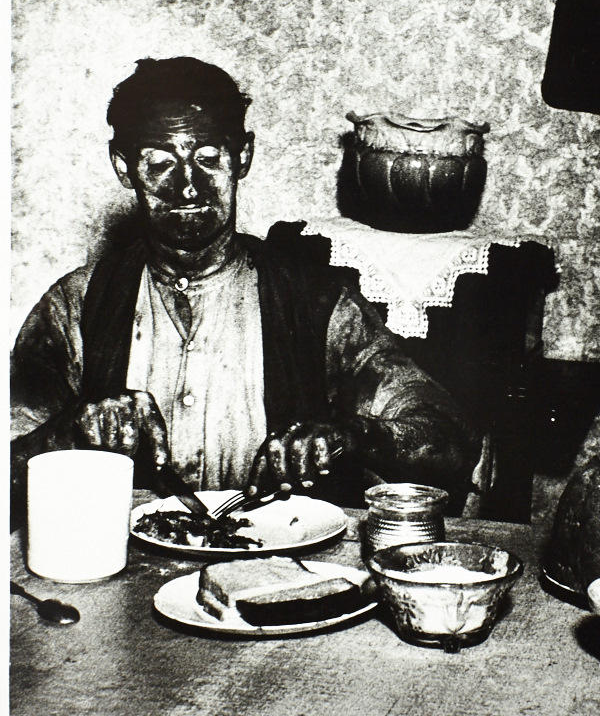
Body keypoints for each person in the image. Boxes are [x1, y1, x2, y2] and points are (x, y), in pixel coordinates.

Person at [10, 57, 484, 519]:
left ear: (243, 158)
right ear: (123, 167)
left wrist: (352, 436)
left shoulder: (314, 302)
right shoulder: (77, 304)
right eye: (159, 163)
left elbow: (450, 442)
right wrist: (71, 432)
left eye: (209, 158)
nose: (188, 186)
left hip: (274, 574)